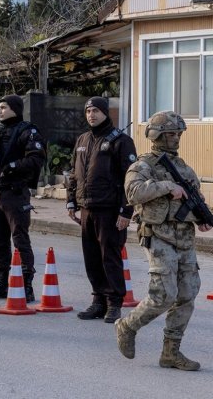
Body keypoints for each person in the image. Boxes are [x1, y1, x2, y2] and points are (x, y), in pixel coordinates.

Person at [115, 111, 212, 371]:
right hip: (158, 235)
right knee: (163, 295)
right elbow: (133, 192)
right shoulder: (143, 165)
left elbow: (194, 199)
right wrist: (167, 187)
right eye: (171, 133)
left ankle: (171, 352)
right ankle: (127, 326)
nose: (176, 138)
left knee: (187, 295)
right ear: (156, 134)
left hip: (184, 238)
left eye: (179, 133)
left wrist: (200, 217)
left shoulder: (184, 168)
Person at [66, 97, 137, 323]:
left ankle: (114, 303)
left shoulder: (121, 141)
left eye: (96, 110)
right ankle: (98, 301)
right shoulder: (82, 139)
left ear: (106, 112)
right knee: (92, 258)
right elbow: (74, 174)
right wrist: (71, 202)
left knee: (110, 257)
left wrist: (126, 212)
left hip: (110, 210)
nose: (91, 115)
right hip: (87, 208)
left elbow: (130, 179)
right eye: (88, 111)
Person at [0, 95, 46, 303]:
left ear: (15, 109)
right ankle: (1, 283)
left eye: (3, 107)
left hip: (15, 192)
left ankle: (26, 285)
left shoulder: (28, 131)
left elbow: (36, 158)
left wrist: (12, 167)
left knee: (20, 239)